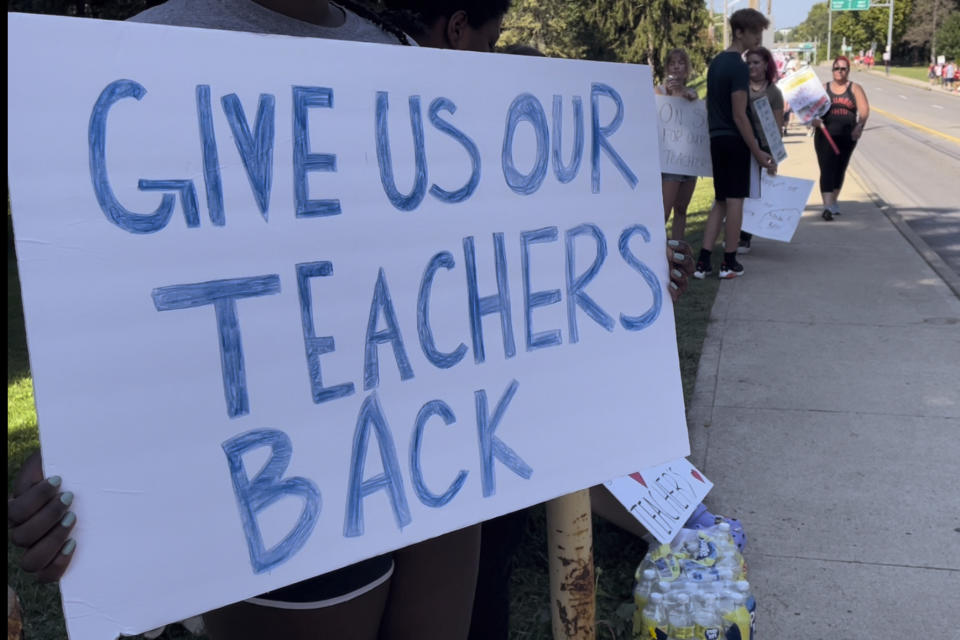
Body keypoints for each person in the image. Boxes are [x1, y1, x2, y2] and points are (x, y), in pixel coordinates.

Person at [9, 4, 697, 640]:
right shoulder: (138, 50)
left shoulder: (393, 53)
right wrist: (84, 459)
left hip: (439, 466)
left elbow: (470, 252)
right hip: (281, 493)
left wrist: (616, 273)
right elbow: (123, 301)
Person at [693, 8, 775, 280]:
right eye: (754, 33)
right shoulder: (739, 67)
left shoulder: (715, 63)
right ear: (739, 31)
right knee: (735, 200)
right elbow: (740, 115)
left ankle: (704, 262)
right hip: (734, 141)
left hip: (716, 139)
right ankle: (729, 261)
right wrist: (758, 151)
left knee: (720, 201)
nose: (758, 39)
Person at [736, 46, 784, 255]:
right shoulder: (740, 89)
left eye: (756, 62)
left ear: (766, 64)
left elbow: (777, 125)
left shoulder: (773, 92)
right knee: (740, 192)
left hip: (763, 147)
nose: (752, 67)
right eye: (749, 63)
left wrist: (774, 156)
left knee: (755, 193)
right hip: (742, 145)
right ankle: (736, 233)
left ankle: (746, 237)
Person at [812, 56, 869, 221]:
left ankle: (833, 200)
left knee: (840, 168)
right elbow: (812, 110)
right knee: (827, 168)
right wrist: (814, 121)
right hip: (825, 136)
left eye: (843, 68)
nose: (839, 71)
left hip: (847, 136)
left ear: (848, 71)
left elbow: (864, 111)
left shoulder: (854, 88)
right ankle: (827, 206)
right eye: (836, 68)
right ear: (832, 70)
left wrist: (859, 126)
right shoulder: (824, 88)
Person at [655, 48, 700, 242]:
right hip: (669, 159)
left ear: (687, 68)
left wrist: (687, 97)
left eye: (681, 62)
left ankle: (678, 252)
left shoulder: (692, 94)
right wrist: (674, 95)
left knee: (681, 209)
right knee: (663, 212)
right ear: (666, 68)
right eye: (672, 63)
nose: (676, 66)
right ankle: (656, 252)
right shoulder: (659, 90)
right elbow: (663, 117)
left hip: (688, 159)